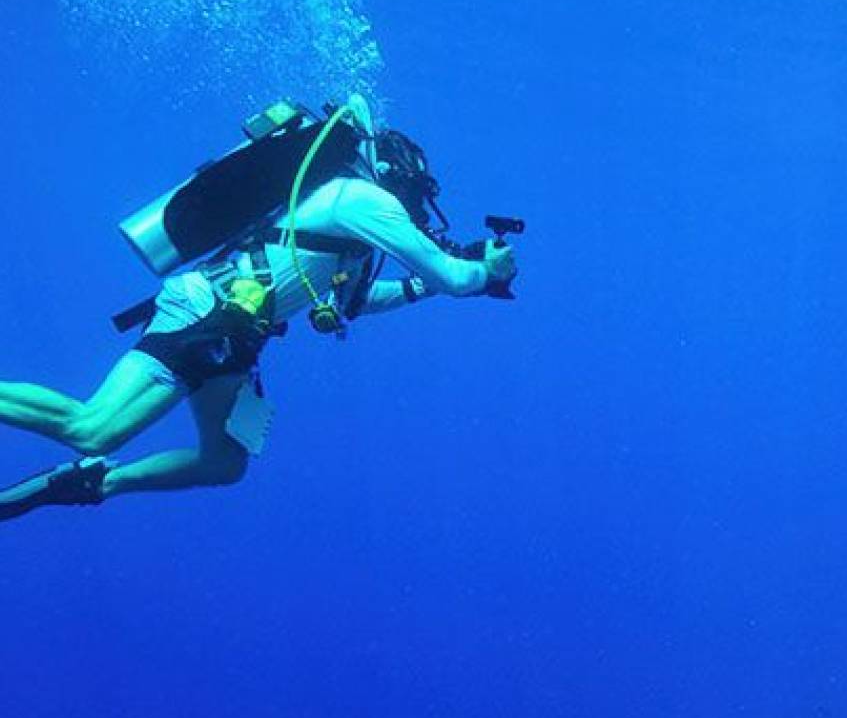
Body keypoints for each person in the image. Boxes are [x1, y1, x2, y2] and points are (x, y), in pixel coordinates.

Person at [0, 97, 518, 522]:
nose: (415, 208)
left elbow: (357, 305)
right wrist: (486, 272)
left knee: (225, 463)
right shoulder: (359, 199)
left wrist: (421, 287)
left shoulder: (359, 238)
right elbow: (452, 278)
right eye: (412, 192)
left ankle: (94, 480)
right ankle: (93, 458)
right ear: (392, 174)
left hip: (235, 337)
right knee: (94, 428)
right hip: (205, 312)